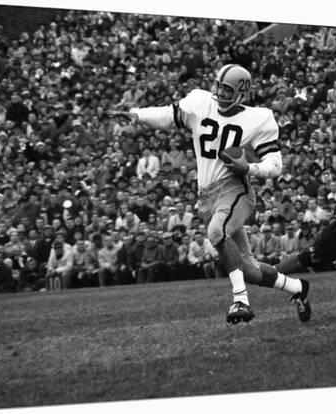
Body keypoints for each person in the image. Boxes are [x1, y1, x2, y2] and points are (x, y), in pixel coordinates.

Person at [109, 63, 310, 325]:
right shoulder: (200, 102)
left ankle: (240, 301)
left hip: (235, 189)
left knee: (216, 232)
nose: (221, 92)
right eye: (219, 86)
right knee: (248, 269)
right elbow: (169, 114)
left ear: (242, 92)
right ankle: (297, 288)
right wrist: (137, 114)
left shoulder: (259, 118)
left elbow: (275, 165)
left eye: (228, 89)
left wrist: (248, 167)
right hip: (206, 196)